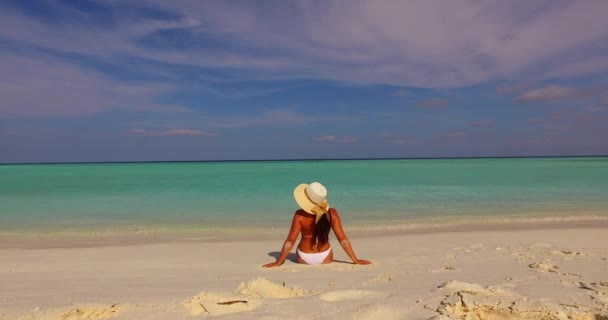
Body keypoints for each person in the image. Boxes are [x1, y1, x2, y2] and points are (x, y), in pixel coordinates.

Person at [263, 182, 371, 267]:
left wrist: (279, 262)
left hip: (304, 257)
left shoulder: (299, 215)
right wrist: (355, 260)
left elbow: (290, 242)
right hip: (325, 256)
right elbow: (343, 240)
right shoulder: (332, 213)